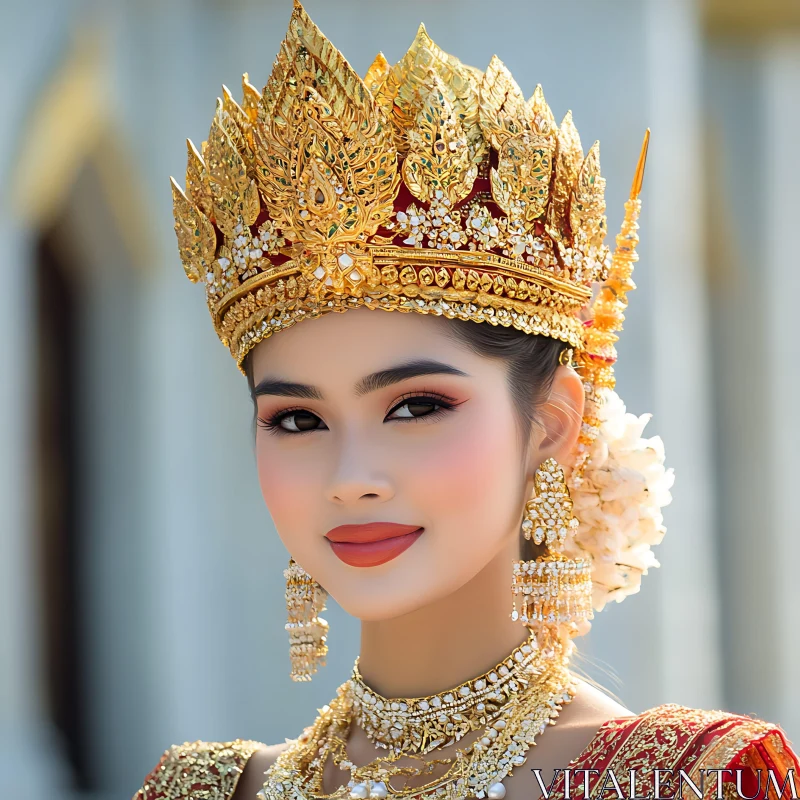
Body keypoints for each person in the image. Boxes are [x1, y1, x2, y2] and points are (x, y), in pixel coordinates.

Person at [136, 3, 799, 799]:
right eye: (298, 419)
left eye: (416, 407)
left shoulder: (680, 781)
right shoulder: (200, 790)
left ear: (550, 423)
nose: (351, 477)